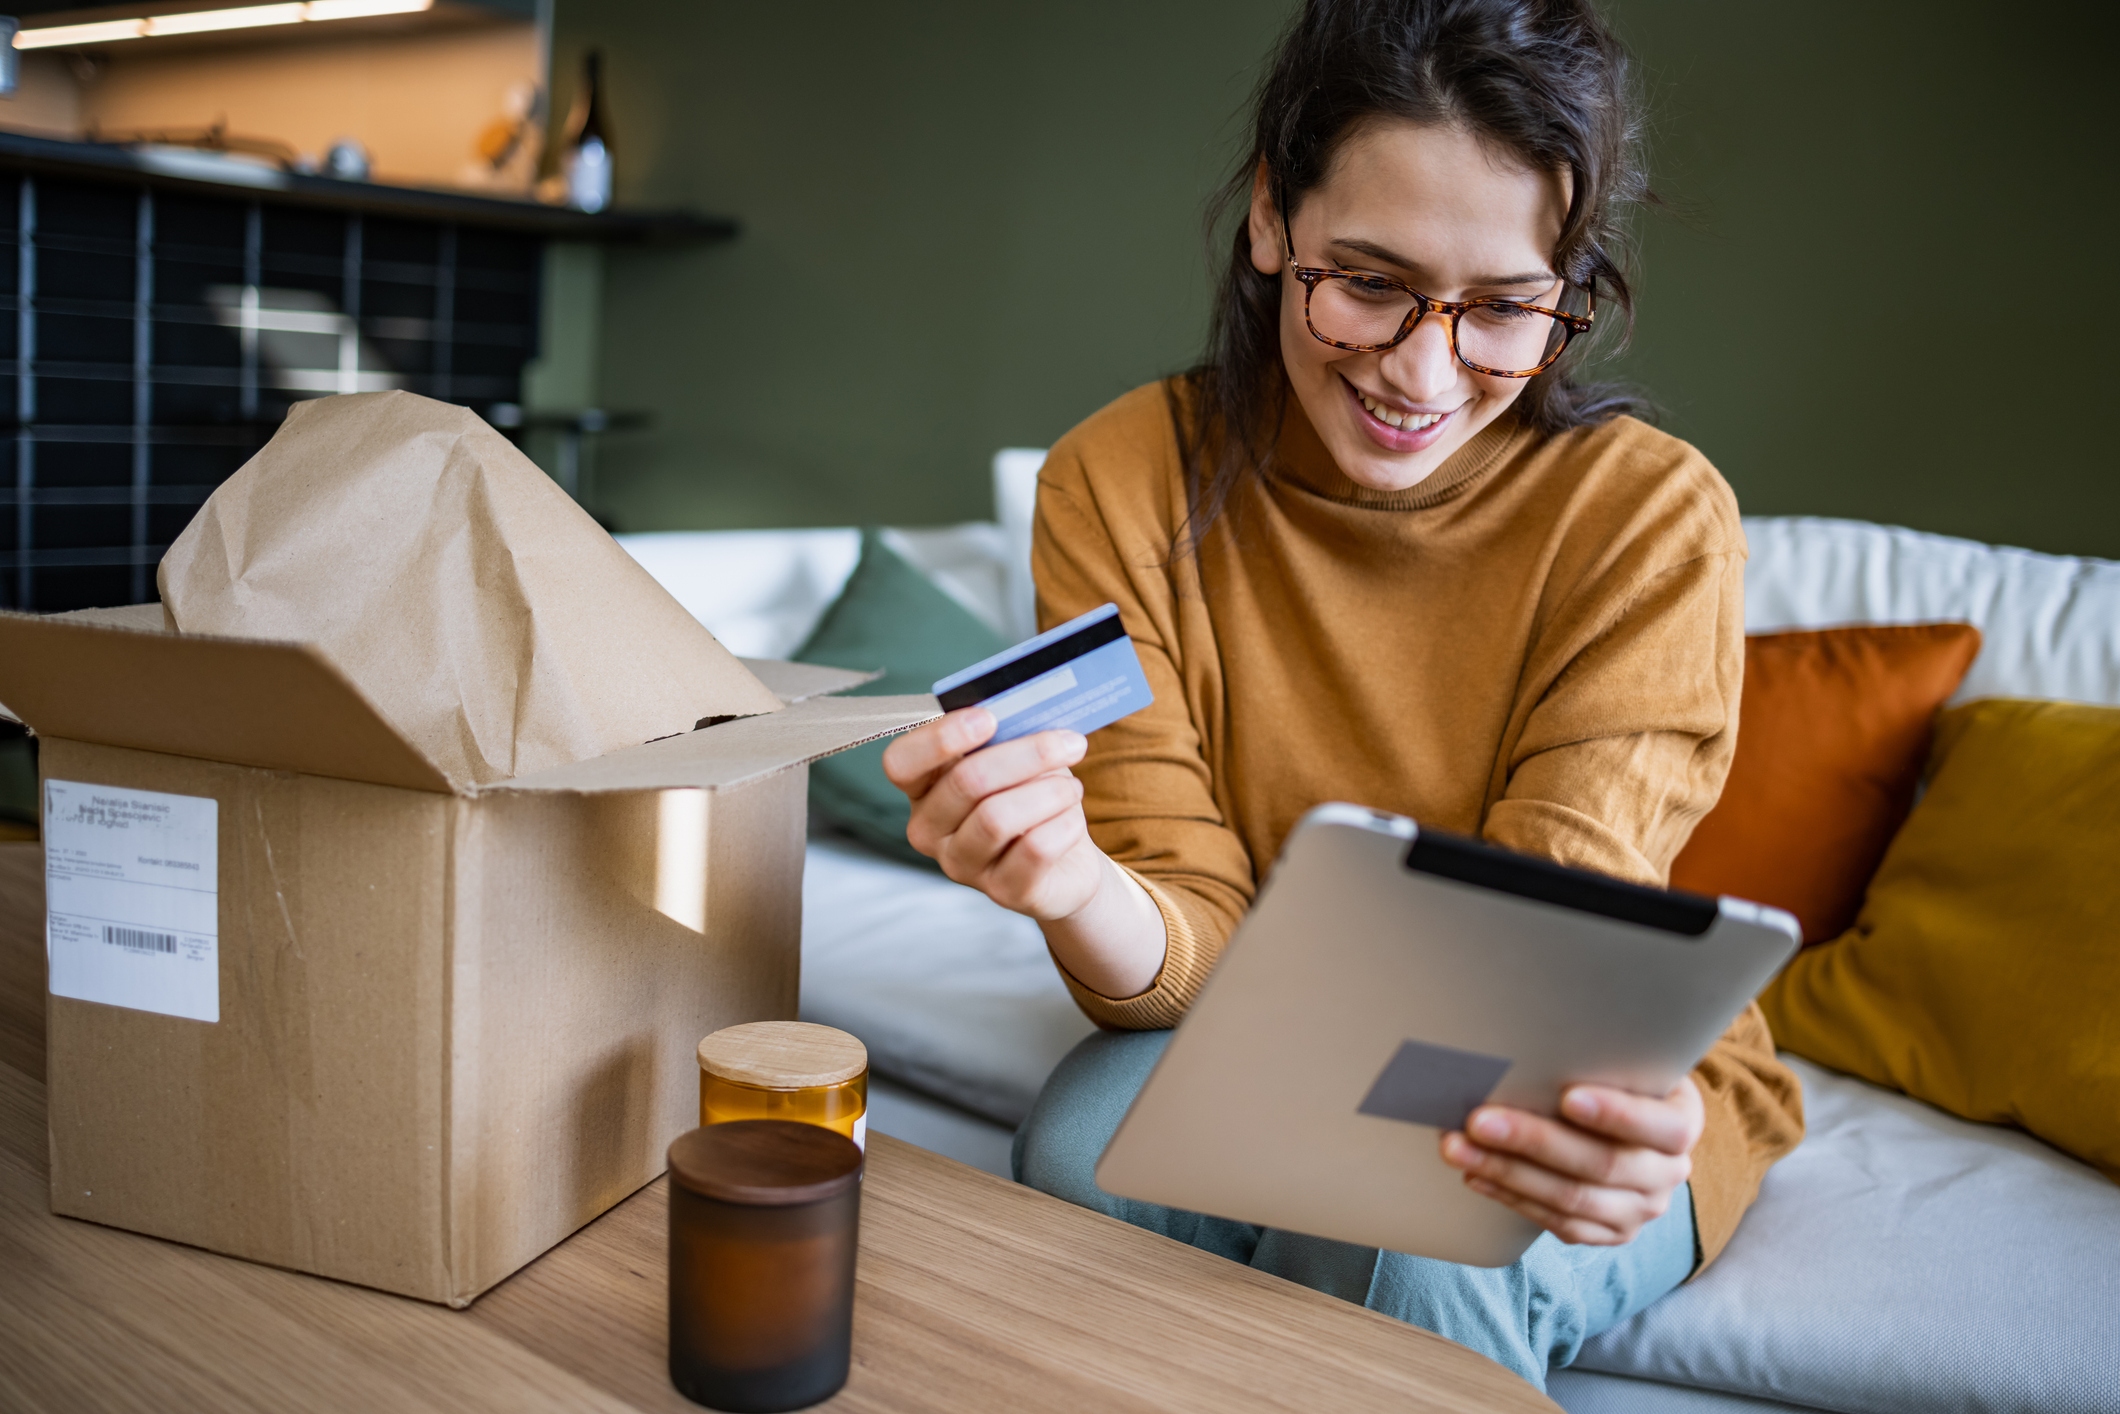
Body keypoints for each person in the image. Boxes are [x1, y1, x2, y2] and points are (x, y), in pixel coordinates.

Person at [881, 0, 1801, 1390]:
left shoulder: (1648, 518)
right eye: (1367, 282)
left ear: (1569, 284)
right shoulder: (1119, 479)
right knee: (1084, 1150)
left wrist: (1576, 1114)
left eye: (1501, 308)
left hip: (1541, 1038)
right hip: (1253, 1003)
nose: (1422, 374)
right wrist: (1071, 877)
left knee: (1408, 1235)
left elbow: (1544, 959)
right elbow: (1180, 922)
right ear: (1270, 219)